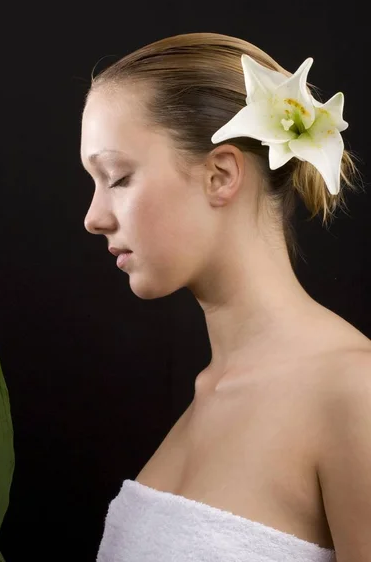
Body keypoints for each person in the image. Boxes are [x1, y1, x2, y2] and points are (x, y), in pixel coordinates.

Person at [80, 33, 371, 562]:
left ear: (221, 175)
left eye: (117, 177)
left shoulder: (354, 392)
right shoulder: (210, 391)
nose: (93, 217)